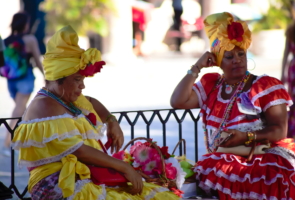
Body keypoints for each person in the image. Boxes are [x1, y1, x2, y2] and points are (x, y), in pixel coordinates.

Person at [11, 25, 179, 200]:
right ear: (57, 79)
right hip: (55, 182)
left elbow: (91, 102)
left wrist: (111, 120)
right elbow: (79, 151)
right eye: (77, 80)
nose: (82, 86)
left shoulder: (64, 97)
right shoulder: (46, 104)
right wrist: (125, 167)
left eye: (82, 79)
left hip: (80, 175)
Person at [171, 12, 295, 199]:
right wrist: (197, 67)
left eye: (241, 54)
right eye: (229, 56)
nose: (237, 60)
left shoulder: (265, 86)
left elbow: (279, 130)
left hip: (264, 155)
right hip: (224, 157)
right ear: (217, 60)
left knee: (259, 175)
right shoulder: (211, 84)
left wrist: (246, 137)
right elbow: (177, 101)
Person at [1, 12, 44, 157]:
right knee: (19, 111)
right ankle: (7, 142)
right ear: (25, 24)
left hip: (11, 81)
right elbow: (38, 61)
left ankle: (29, 140)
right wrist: (47, 77)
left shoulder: (6, 41)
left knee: (21, 111)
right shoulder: (30, 39)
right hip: (25, 79)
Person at [281, 2, 295, 142]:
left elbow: (285, 54)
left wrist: (283, 73)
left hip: (294, 68)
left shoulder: (291, 30)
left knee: (294, 101)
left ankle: (294, 132)